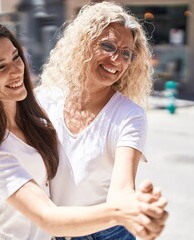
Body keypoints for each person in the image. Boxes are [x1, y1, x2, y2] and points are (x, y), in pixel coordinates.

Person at [0, 18, 167, 240]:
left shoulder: (31, 112)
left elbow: (122, 188)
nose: (16, 70)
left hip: (102, 231)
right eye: (0, 67)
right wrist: (126, 212)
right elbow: (47, 216)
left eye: (16, 57)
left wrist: (135, 208)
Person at [37, 1, 168, 239]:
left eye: (126, 53)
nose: (116, 60)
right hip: (51, 230)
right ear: (83, 45)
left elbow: (122, 188)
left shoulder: (129, 115)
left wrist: (137, 210)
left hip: (107, 233)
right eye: (108, 46)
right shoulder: (46, 99)